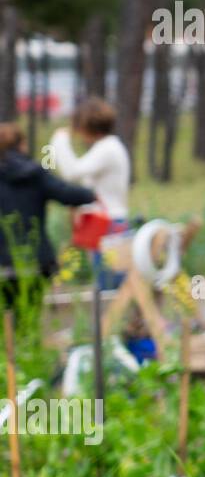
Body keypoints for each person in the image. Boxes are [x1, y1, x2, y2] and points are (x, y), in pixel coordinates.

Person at [0, 122, 96, 325]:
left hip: (2, 263)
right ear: (23, 145)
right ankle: (27, 350)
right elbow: (68, 194)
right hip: (36, 261)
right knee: (28, 320)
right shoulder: (35, 173)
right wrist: (92, 193)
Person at [50, 97, 131, 289]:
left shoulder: (107, 149)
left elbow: (72, 172)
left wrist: (59, 140)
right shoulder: (109, 147)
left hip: (109, 226)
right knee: (111, 285)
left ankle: (112, 319)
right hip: (108, 224)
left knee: (109, 288)